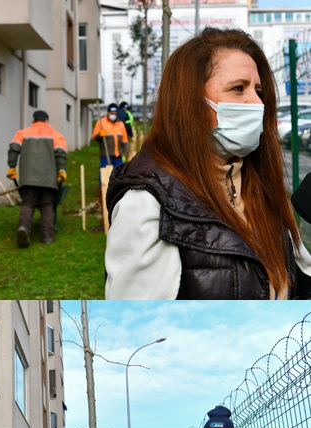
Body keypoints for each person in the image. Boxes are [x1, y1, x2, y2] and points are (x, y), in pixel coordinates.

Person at [105, 28, 311, 299]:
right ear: (190, 102)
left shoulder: (265, 188)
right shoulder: (147, 203)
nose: (256, 102)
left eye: (258, 90)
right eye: (238, 88)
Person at [6, 110, 68, 247]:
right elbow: (60, 154)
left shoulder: (22, 133)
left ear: (33, 121)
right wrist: (62, 170)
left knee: (28, 204)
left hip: (28, 178)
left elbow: (14, 148)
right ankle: (47, 237)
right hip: (49, 178)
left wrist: (12, 166)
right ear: (47, 121)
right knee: (47, 205)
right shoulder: (56, 135)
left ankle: (23, 228)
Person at [93, 103, 128, 169]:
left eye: (115, 113)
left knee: (118, 175)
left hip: (118, 156)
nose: (113, 115)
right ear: (108, 112)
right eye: (111, 113)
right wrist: (100, 135)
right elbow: (94, 137)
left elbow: (125, 140)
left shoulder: (120, 124)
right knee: (105, 176)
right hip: (106, 155)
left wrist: (126, 152)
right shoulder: (101, 122)